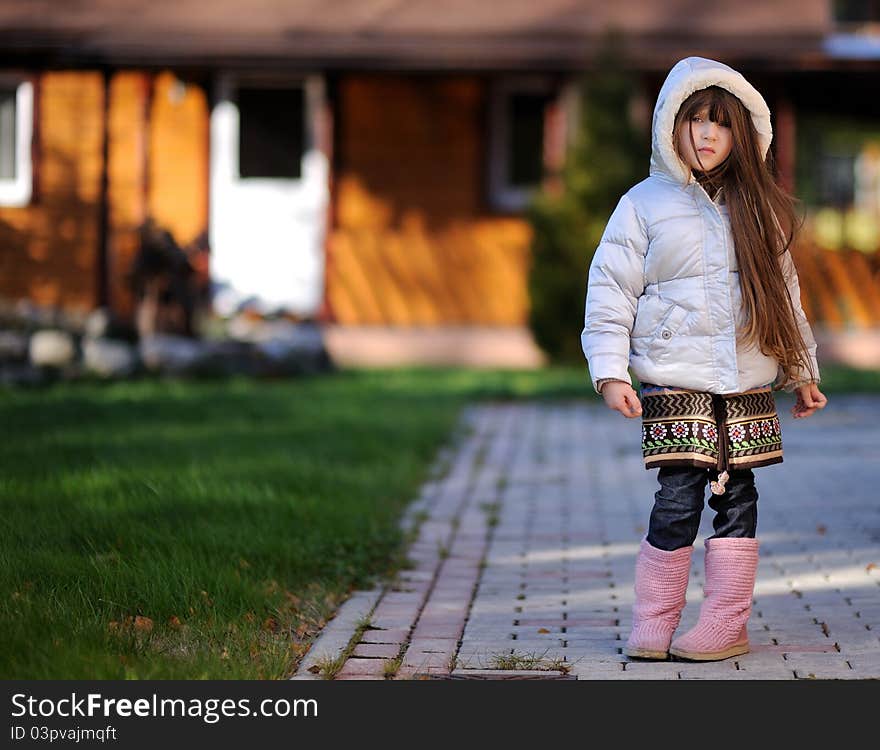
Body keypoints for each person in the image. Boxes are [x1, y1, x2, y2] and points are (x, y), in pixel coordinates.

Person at [581, 56, 828, 662]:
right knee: (676, 498)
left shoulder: (759, 210)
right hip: (677, 378)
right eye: (695, 121)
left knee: (738, 499)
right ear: (673, 124)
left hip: (746, 382)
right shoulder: (642, 204)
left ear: (742, 134)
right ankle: (654, 622)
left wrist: (802, 373)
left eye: (721, 124)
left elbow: (784, 299)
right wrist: (610, 370)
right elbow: (611, 288)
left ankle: (724, 622)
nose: (708, 135)